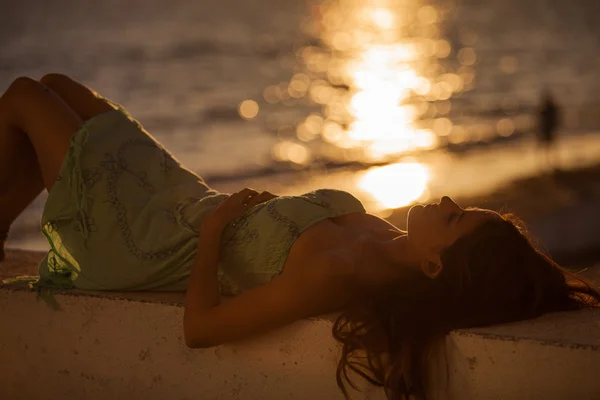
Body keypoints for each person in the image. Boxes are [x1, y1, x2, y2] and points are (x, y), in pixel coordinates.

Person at [1, 74, 598, 399]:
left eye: (455, 218)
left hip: (149, 238)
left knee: (26, 97)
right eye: (460, 206)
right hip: (184, 198)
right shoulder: (377, 232)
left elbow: (199, 330)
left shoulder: (333, 275)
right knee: (63, 87)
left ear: (436, 268)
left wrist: (214, 235)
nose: (445, 200)